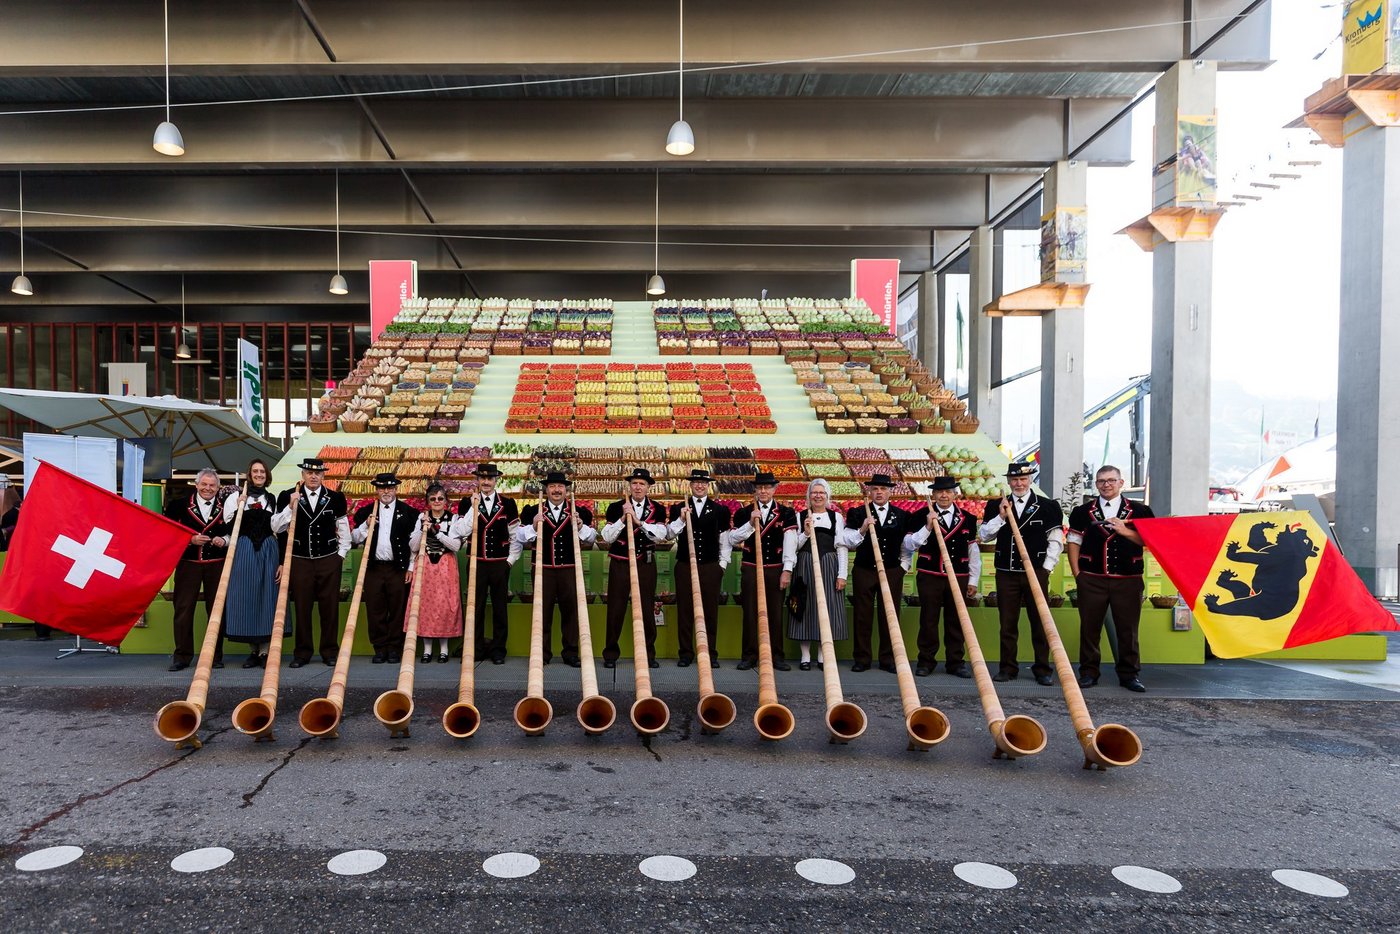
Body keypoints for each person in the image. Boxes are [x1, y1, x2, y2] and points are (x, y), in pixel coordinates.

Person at [1067, 465, 1154, 693]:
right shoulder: (1082, 511)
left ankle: (1129, 675)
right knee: (1089, 629)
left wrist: (1125, 531)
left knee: (1128, 629)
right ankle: (1088, 673)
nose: (1106, 484)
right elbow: (1073, 543)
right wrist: (1078, 574)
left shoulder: (1140, 511)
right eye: (1101, 481)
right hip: (1091, 578)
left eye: (1111, 480)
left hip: (1128, 579)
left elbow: (1148, 541)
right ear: (1096, 484)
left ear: (1121, 483)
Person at [979, 461, 1064, 686]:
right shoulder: (996, 505)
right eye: (1014, 479)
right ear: (1008, 481)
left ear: (1030, 480)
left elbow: (1055, 539)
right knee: (1007, 623)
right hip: (1006, 573)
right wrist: (1001, 517)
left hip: (1036, 572)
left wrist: (1046, 568)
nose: (1019, 483)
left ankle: (1042, 669)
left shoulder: (1047, 506)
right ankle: (1007, 668)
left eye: (1023, 479)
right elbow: (985, 535)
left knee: (1040, 622)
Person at [273, 457, 350, 669]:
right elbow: (276, 527)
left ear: (323, 475)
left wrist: (340, 555)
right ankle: (302, 653)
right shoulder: (287, 495)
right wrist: (290, 506)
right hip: (300, 560)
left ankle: (329, 651)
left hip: (328, 559)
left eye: (317, 473)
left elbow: (344, 528)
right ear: (303, 475)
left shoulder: (335, 498)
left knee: (330, 607)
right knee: (302, 607)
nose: (313, 476)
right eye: (309, 473)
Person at [517, 472, 597, 668]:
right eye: (552, 486)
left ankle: (571, 652)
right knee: (542, 613)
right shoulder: (532, 511)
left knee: (571, 612)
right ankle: (542, 653)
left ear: (566, 490)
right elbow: (519, 536)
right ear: (546, 489)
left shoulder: (579, 512)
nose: (556, 490)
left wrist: (581, 526)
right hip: (542, 570)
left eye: (560, 486)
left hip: (570, 570)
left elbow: (592, 537)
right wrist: (534, 526)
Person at [904, 477, 981, 678]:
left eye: (948, 491)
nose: (944, 495)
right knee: (928, 620)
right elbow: (909, 545)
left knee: (956, 620)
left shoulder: (968, 518)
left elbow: (973, 552)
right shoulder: (920, 516)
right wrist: (927, 527)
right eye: (939, 491)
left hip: (959, 575)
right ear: (933, 495)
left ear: (955, 494)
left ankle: (955, 662)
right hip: (930, 575)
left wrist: (973, 580)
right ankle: (926, 661)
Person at [841, 473, 918, 673]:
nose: (879, 492)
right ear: (869, 491)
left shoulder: (902, 515)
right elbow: (847, 540)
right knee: (862, 615)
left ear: (890, 491)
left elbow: (907, 545)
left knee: (890, 616)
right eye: (875, 489)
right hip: (864, 570)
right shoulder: (858, 513)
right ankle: (862, 658)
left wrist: (903, 567)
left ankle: (888, 659)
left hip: (892, 570)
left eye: (883, 489)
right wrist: (863, 529)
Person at [724, 471, 797, 672]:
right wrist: (750, 523)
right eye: (759, 487)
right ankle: (749, 656)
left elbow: (790, 543)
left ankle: (776, 656)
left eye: (767, 487)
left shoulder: (786, 512)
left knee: (775, 613)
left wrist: (787, 570)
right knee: (749, 612)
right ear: (755, 490)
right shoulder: (744, 512)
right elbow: (733, 539)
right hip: (751, 568)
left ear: (774, 489)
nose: (763, 491)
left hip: (775, 569)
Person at [600, 468, 671, 669]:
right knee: (616, 608)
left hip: (645, 563)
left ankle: (648, 654)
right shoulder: (616, 507)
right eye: (634, 483)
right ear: (629, 486)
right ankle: (610, 654)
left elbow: (660, 535)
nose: (638, 487)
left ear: (648, 487)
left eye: (642, 484)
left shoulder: (657, 508)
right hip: (620, 562)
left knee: (647, 608)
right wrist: (623, 518)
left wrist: (639, 522)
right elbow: (607, 536)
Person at [163, 468, 230, 672]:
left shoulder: (227, 506)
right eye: (204, 484)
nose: (208, 488)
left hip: (217, 564)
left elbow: (233, 530)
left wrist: (224, 540)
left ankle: (215, 656)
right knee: (183, 610)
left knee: (217, 611)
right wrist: (190, 540)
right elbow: (168, 531)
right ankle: (182, 656)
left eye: (212, 485)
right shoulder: (178, 505)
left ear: (218, 487)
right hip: (188, 563)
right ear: (196, 484)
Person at [351, 473, 420, 664]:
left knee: (398, 609)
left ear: (396, 489)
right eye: (382, 488)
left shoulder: (409, 512)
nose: (386, 492)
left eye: (390, 488)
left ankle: (394, 648)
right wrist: (366, 525)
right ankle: (380, 648)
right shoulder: (366, 512)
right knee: (375, 609)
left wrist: (410, 567)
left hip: (398, 568)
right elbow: (354, 538)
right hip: (374, 568)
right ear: (377, 490)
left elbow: (414, 544)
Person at [456, 463, 520, 664]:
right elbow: (461, 531)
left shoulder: (508, 504)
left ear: (496, 480)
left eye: (490, 478)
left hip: (500, 564)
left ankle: (499, 650)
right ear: (477, 480)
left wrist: (510, 561)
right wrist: (473, 508)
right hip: (476, 563)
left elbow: (515, 536)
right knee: (476, 608)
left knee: (500, 607)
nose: (486, 482)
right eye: (482, 478)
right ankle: (475, 648)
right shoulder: (466, 503)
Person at [668, 468, 731, 669]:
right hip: (685, 565)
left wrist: (722, 565)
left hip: (710, 566)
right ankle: (686, 653)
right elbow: (669, 534)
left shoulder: (720, 510)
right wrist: (680, 519)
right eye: (696, 482)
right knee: (685, 610)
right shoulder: (678, 508)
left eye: (703, 482)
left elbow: (725, 540)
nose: (700, 485)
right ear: (691, 485)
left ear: (708, 485)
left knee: (710, 611)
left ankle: (710, 653)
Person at [223, 459, 280, 668]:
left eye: (262, 471)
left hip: (268, 549)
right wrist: (240, 505)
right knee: (247, 595)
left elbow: (277, 527)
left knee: (267, 596)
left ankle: (265, 650)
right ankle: (253, 650)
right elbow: (228, 526)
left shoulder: (272, 498)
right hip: (245, 549)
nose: (259, 474)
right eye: (255, 471)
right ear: (250, 474)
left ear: (267, 475)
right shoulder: (236, 497)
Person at [787, 478, 848, 671]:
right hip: (805, 565)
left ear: (827, 495)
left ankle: (823, 656)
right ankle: (805, 656)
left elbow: (841, 546)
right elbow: (793, 546)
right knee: (803, 606)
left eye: (821, 492)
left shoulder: (836, 517)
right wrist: (805, 533)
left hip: (829, 565)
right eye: (814, 492)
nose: (818, 496)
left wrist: (842, 574)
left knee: (828, 607)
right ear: (809, 495)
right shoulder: (800, 516)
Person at [408, 483, 463, 663]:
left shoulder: (453, 519)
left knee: (445, 605)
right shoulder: (421, 518)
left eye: (440, 498)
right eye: (433, 499)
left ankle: (444, 649)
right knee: (425, 605)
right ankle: (427, 649)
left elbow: (456, 546)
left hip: (446, 564)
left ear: (446, 501)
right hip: (425, 564)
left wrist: (437, 533)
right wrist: (423, 529)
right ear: (428, 501)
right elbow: (413, 546)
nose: (437, 501)